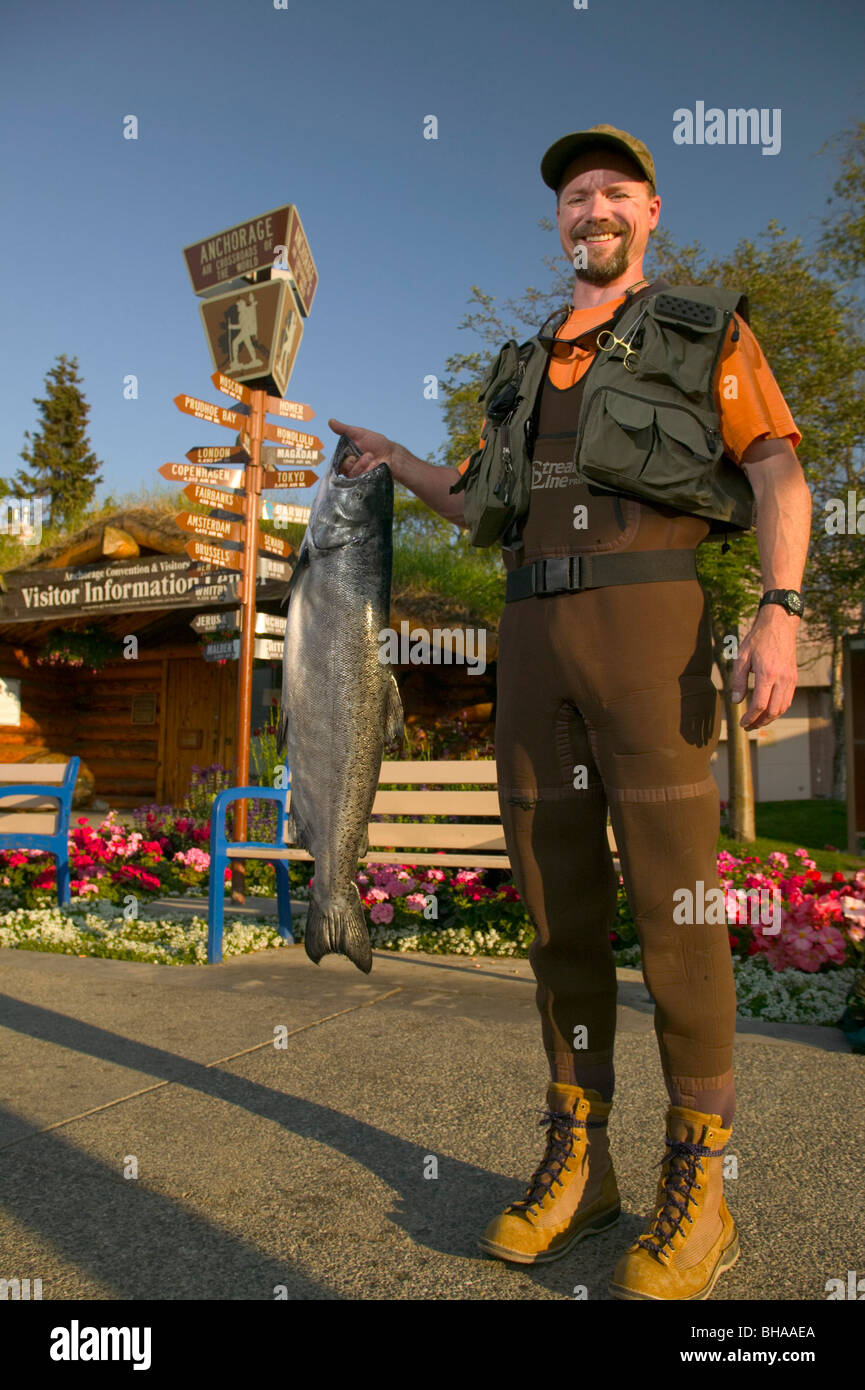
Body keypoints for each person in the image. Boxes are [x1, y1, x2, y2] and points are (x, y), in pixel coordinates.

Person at [329, 124, 811, 1301]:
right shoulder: (516, 364)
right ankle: (578, 1158)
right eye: (573, 195)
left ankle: (699, 1182)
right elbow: (476, 502)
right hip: (532, 642)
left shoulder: (704, 330)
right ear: (559, 223)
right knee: (556, 911)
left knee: (676, 906)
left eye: (613, 191)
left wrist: (783, 610)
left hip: (650, 630)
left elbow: (776, 471)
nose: (590, 206)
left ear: (651, 214)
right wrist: (393, 457)